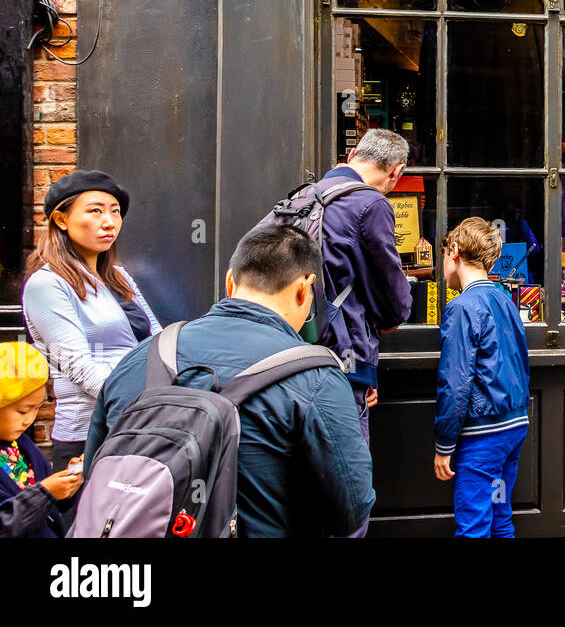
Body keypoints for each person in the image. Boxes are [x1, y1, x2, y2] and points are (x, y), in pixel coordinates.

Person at [84, 223, 375, 537]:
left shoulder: (141, 356)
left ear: (230, 281)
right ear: (305, 288)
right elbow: (351, 511)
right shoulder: (316, 376)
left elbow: (95, 474)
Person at [22, 170, 161, 479]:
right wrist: (140, 403)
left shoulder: (120, 276)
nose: (109, 221)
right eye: (95, 211)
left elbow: (157, 338)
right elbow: (77, 365)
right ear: (61, 219)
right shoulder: (47, 284)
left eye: (115, 212)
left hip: (138, 424)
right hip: (89, 433)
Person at [434, 218, 531, 538]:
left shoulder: (462, 308)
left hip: (483, 436)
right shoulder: (505, 299)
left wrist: (444, 443)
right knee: (500, 513)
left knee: (473, 524)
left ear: (455, 251)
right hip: (513, 427)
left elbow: (455, 382)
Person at [317, 127, 415, 438]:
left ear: (351, 158)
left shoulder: (304, 197)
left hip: (295, 360)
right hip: (343, 367)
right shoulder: (371, 205)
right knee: (350, 475)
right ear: (396, 172)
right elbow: (395, 303)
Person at [0, 342, 82, 537]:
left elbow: (47, 507)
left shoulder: (22, 445)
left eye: (36, 409)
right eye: (22, 411)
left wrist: (66, 485)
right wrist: (47, 492)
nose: (29, 419)